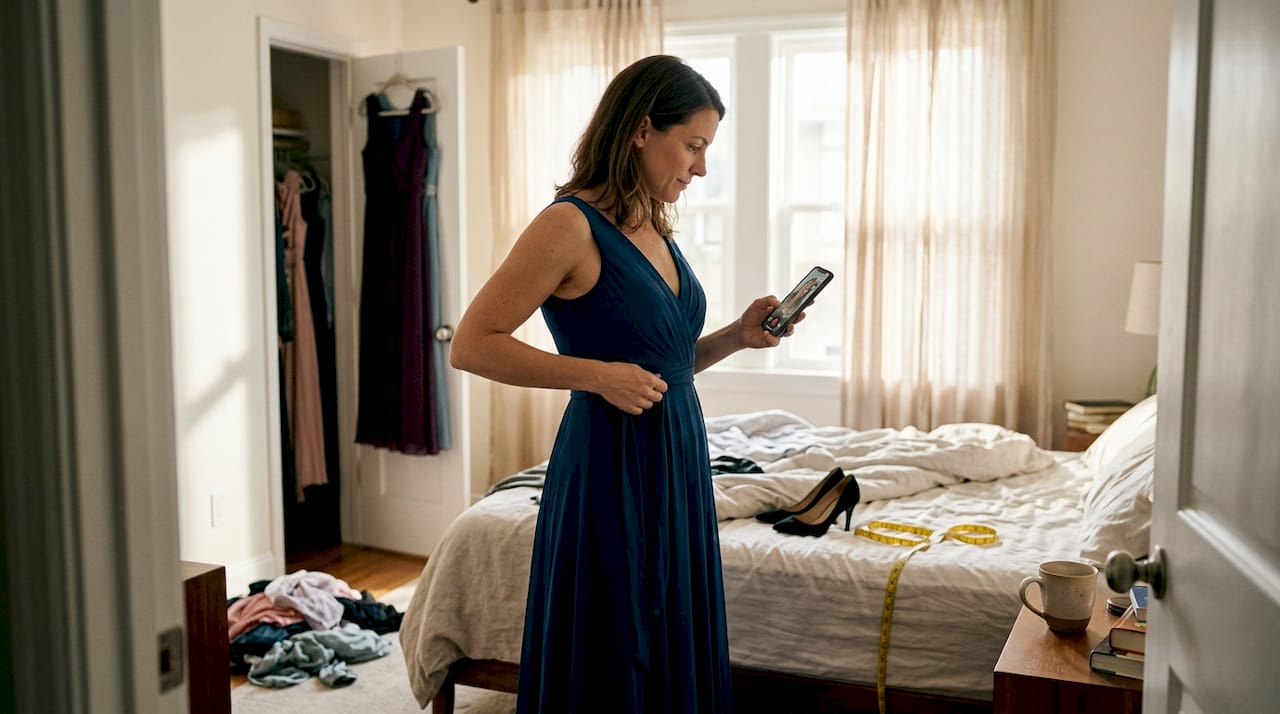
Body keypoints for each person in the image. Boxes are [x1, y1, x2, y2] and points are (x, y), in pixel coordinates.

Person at [449, 54, 805, 714]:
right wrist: (595, 375)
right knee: (617, 633)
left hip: (676, 456)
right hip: (609, 461)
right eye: (693, 146)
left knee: (670, 622)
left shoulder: (653, 226)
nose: (700, 167)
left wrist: (736, 336)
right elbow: (472, 345)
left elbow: (658, 368)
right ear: (643, 129)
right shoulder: (568, 224)